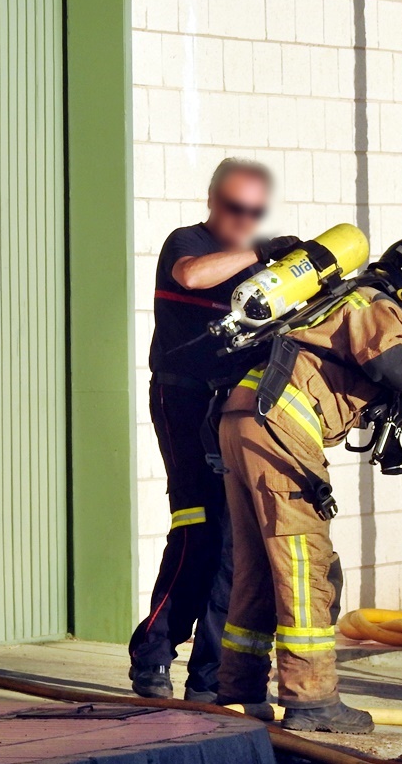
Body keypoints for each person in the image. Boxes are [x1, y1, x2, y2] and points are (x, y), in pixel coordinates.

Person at [215, 236, 402, 733]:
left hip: (242, 418)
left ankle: (238, 691)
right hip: (279, 423)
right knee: (309, 566)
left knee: (260, 568)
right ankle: (312, 700)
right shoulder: (376, 304)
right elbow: (392, 364)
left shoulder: (339, 302)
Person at [129, 158, 300, 702]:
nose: (242, 220)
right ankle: (154, 653)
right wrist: (262, 253)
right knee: (197, 525)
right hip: (180, 398)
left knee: (234, 541)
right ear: (212, 201)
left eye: (253, 213)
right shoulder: (187, 242)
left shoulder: (255, 272)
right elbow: (191, 277)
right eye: (234, 208)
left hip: (227, 409)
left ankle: (209, 676)